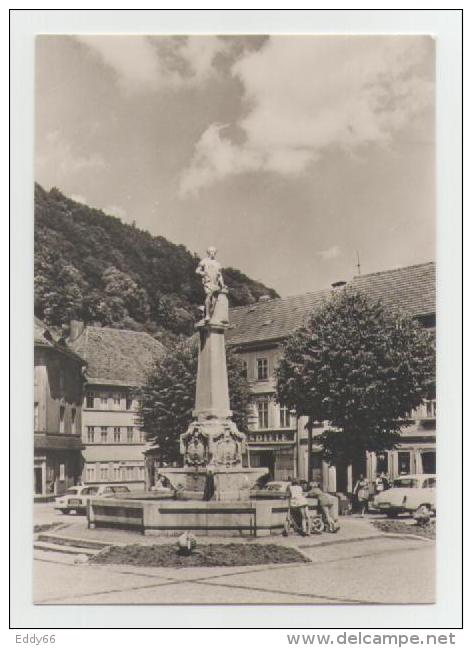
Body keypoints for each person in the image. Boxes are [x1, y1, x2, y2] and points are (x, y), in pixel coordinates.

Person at [195, 247, 226, 322]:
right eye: (211, 251)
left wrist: (222, 284)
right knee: (209, 295)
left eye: (214, 252)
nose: (212, 253)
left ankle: (210, 313)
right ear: (208, 252)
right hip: (208, 282)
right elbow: (197, 271)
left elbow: (220, 275)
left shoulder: (217, 263)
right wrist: (203, 273)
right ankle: (207, 315)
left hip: (215, 283)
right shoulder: (204, 261)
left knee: (214, 299)